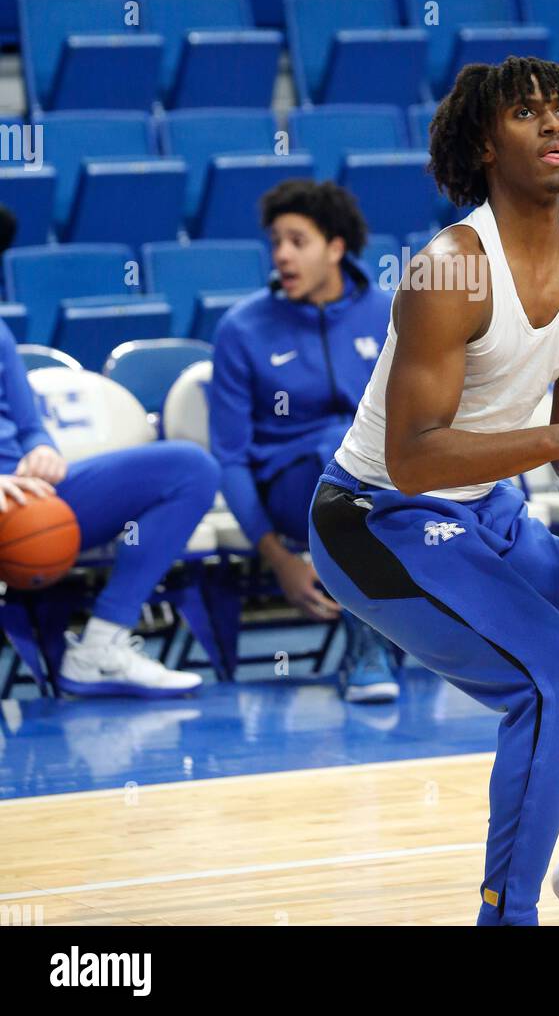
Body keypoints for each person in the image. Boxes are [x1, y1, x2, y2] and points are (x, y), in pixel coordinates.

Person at [308, 56, 559, 927]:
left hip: (491, 512)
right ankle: (507, 915)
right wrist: (556, 439)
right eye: (529, 114)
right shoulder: (448, 272)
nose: (556, 125)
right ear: (485, 145)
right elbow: (412, 458)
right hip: (378, 518)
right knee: (558, 675)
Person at [210, 179, 401, 702]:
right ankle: (367, 644)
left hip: (389, 474)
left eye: (298, 241)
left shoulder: (391, 313)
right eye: (275, 242)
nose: (282, 255)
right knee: (336, 448)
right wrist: (278, 557)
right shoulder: (241, 330)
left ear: (336, 246)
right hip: (292, 486)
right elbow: (228, 458)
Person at [0, 320, 219, 697]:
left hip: (32, 496)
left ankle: (101, 645)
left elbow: (30, 426)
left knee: (191, 468)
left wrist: (43, 450)